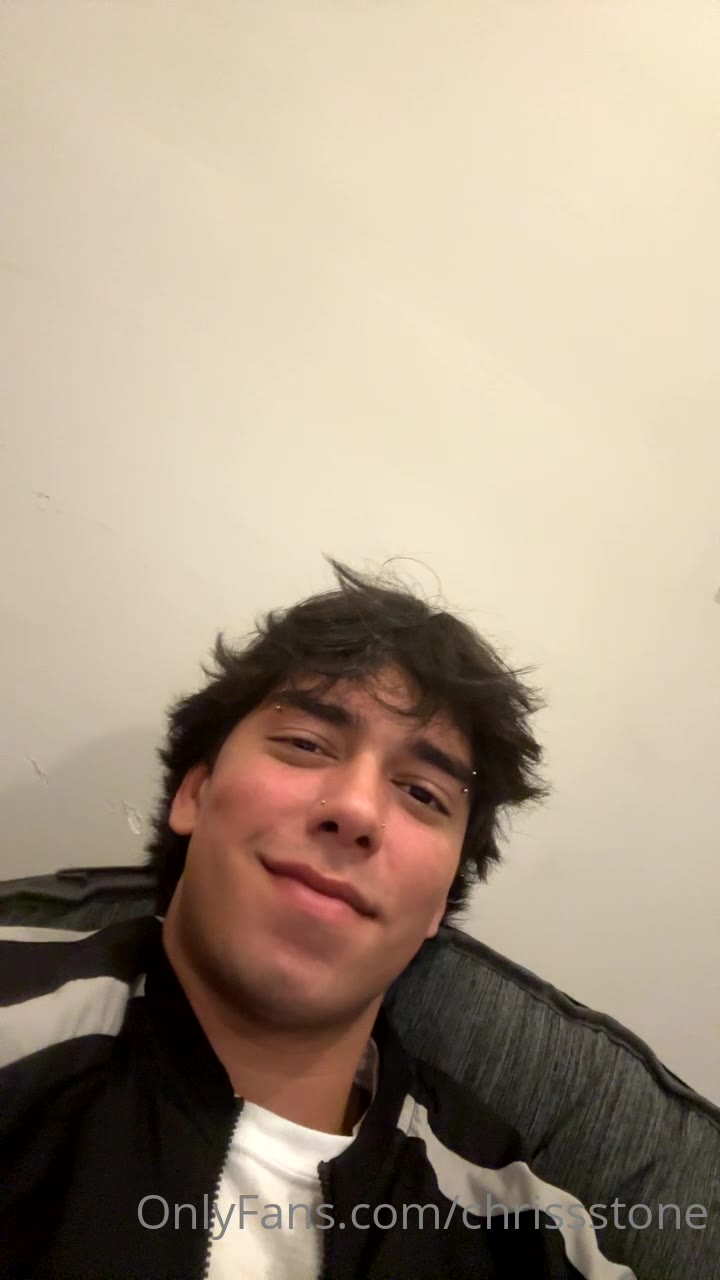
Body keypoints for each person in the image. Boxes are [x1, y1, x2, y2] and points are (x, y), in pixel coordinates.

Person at [0, 559, 635, 1279]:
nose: (356, 810)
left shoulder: (522, 1232)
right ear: (195, 794)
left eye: (422, 794)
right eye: (305, 743)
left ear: (439, 903)